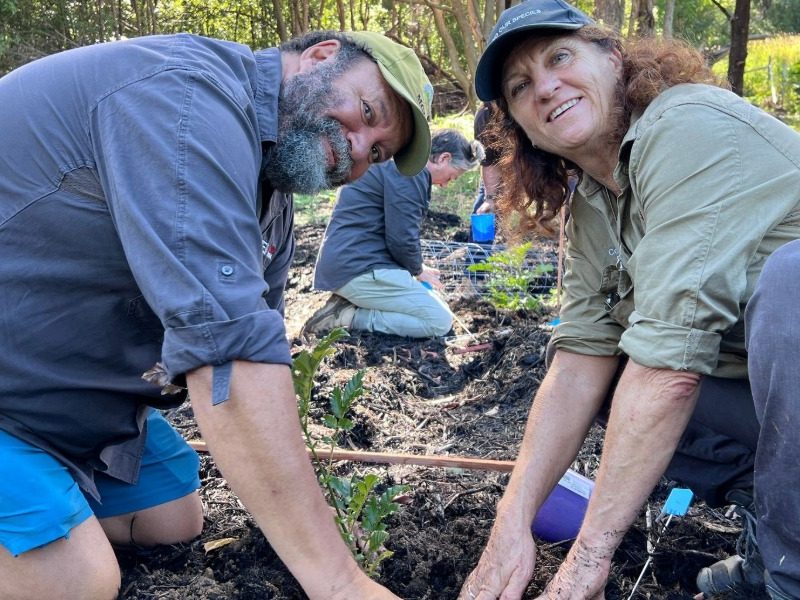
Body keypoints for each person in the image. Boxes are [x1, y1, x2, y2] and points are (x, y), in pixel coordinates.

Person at [0, 29, 433, 600]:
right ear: (321, 56)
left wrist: (310, 522)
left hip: (52, 400)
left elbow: (258, 352)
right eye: (369, 112)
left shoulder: (271, 201)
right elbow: (228, 355)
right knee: (77, 582)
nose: (359, 148)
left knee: (169, 519)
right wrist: (340, 582)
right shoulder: (184, 98)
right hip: (13, 395)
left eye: (377, 152)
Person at [458, 1, 800, 599]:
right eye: (520, 86)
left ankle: (789, 577)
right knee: (606, 372)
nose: (545, 87)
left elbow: (669, 364)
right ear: (520, 127)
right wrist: (509, 527)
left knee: (790, 285)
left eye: (560, 57)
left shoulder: (686, 126)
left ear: (614, 59)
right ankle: (776, 531)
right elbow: (579, 363)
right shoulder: (595, 201)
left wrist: (586, 564)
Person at [305, 129, 483, 338]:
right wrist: (417, 270)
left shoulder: (399, 162)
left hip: (353, 262)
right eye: (452, 177)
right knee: (439, 321)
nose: (445, 185)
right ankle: (347, 317)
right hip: (358, 267)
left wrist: (417, 267)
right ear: (444, 158)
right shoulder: (410, 172)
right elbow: (401, 238)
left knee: (433, 302)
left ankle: (352, 302)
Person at [472, 102, 502, 216]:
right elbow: (488, 161)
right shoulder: (485, 116)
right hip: (500, 164)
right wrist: (490, 198)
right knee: (486, 208)